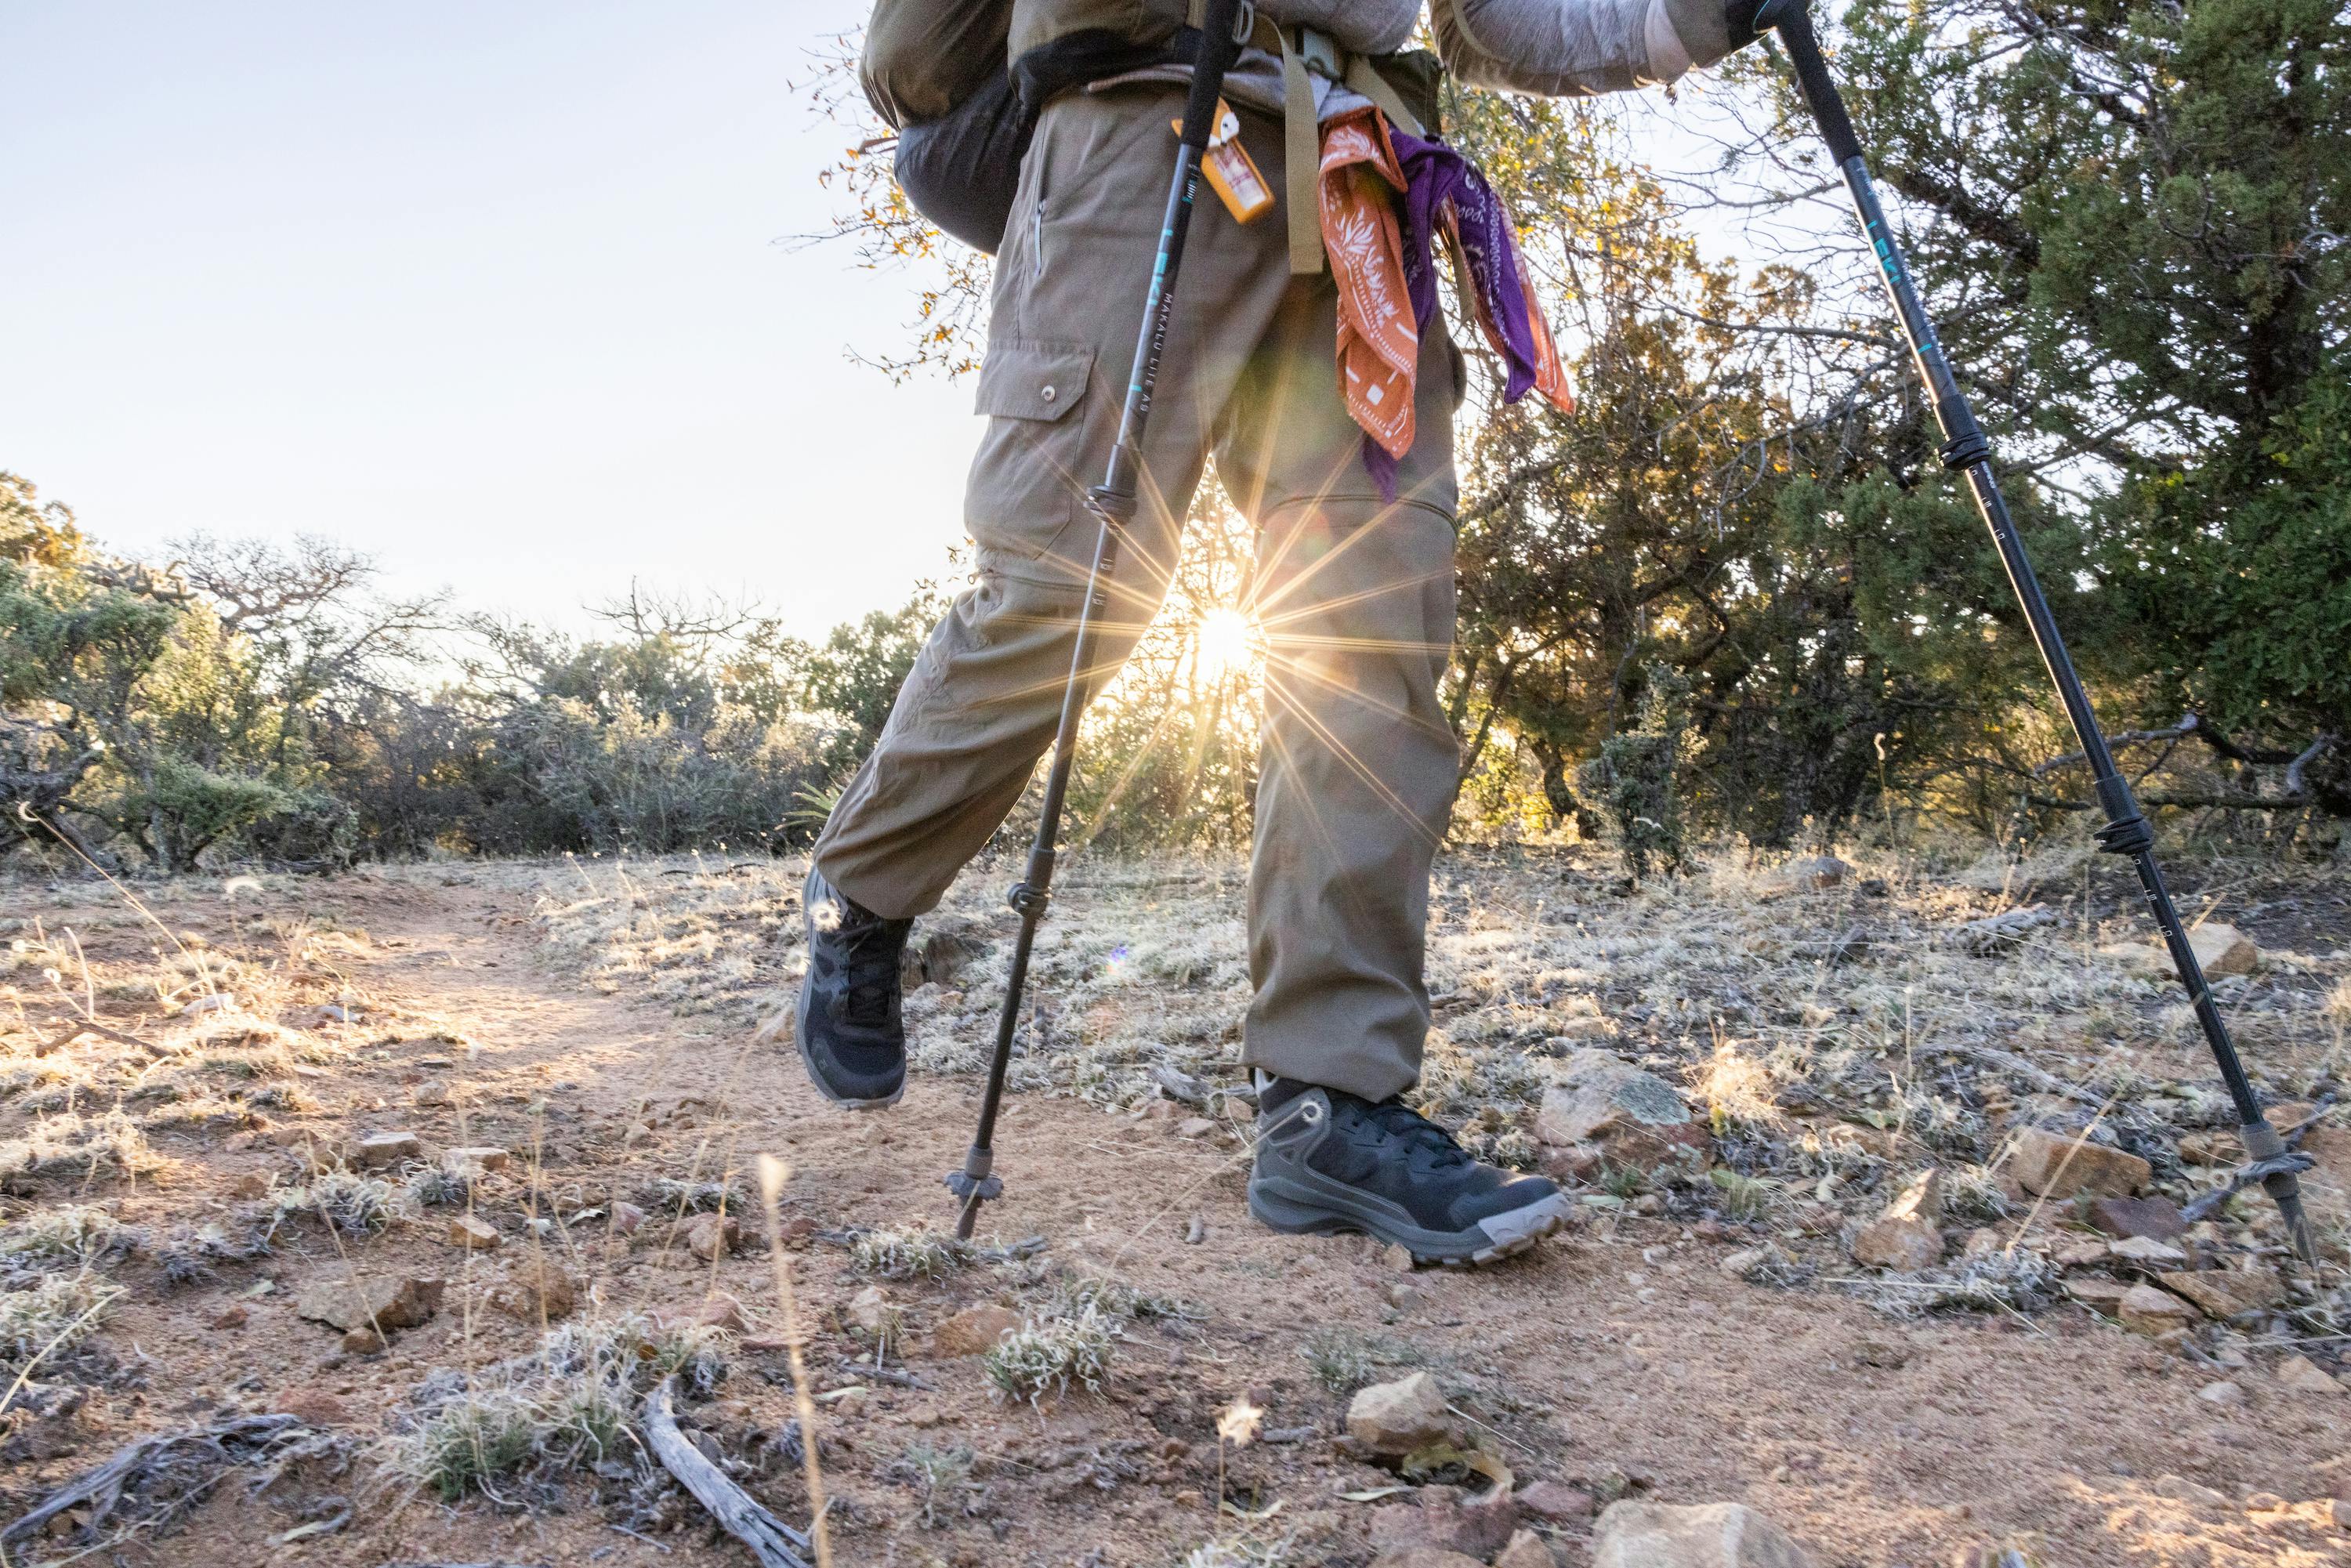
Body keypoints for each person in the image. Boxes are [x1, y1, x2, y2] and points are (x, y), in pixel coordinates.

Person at [797, 0, 1774, 1266]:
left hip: (1359, 168)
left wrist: (1689, 22)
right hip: (1144, 121)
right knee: (1068, 578)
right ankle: (863, 891)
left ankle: (1330, 1106)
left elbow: (1490, 22)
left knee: (1367, 639)